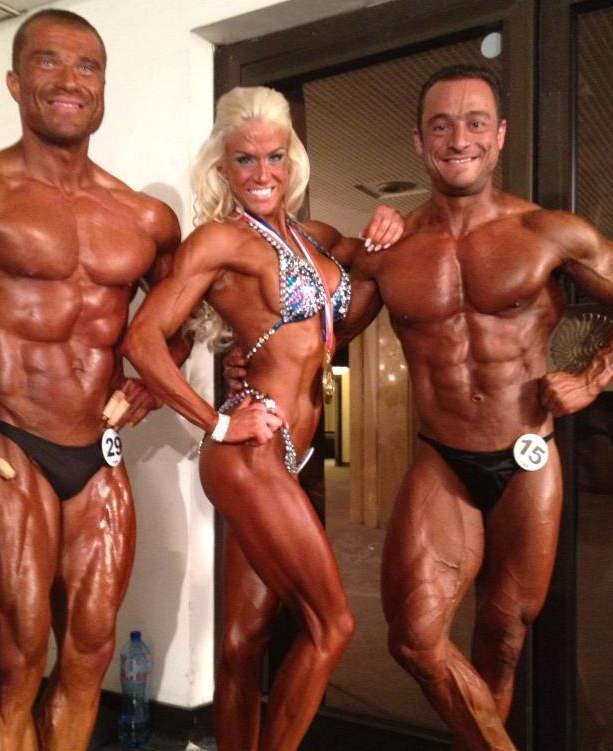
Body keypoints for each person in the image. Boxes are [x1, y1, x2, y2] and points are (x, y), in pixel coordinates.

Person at [0, 9, 181, 750]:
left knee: (89, 661)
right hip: (8, 443)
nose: (69, 80)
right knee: (15, 669)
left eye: (87, 66)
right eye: (48, 62)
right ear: (14, 82)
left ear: (104, 87)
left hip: (100, 457)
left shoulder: (145, 217)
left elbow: (176, 317)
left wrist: (151, 382)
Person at [338, 65, 613, 751]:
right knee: (414, 637)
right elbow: (324, 335)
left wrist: (593, 379)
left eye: (475, 123)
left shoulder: (550, 233)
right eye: (441, 125)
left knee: (504, 636)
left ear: (500, 135)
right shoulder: (390, 251)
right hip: (442, 458)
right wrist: (244, 351)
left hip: (527, 457)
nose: (459, 138)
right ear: (418, 140)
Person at [121, 86, 403, 751]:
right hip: (248, 454)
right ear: (222, 166)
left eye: (274, 156)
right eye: (244, 159)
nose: (261, 172)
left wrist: (391, 223)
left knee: (243, 640)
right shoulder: (221, 241)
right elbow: (142, 339)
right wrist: (217, 424)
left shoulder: (313, 238)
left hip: (288, 455)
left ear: (292, 159)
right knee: (333, 625)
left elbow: (366, 273)